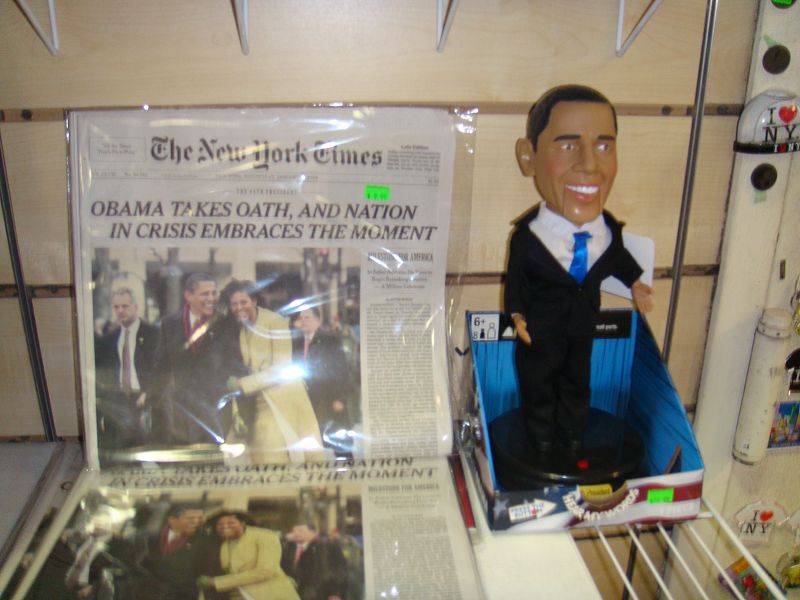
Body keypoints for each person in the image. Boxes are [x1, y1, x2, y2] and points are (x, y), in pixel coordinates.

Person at [505, 84, 653, 453]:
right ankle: (540, 436)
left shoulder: (607, 233)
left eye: (604, 147)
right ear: (528, 157)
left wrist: (636, 283)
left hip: (582, 331)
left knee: (577, 382)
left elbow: (618, 259)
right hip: (539, 335)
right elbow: (516, 281)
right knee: (538, 384)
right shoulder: (527, 238)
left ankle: (571, 434)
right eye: (568, 145)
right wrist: (516, 315)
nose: (589, 165)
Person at [221, 280, 325, 464]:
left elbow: (281, 369)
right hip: (256, 399)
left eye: (243, 302)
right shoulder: (240, 328)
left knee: (275, 453)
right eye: (234, 304)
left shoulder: (275, 321)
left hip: (282, 397)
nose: (239, 308)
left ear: (254, 301)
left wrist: (242, 384)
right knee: (247, 455)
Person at [150, 272, 248, 445]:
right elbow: (160, 368)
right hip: (180, 416)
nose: (211, 299)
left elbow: (235, 364)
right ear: (188, 296)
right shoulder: (170, 324)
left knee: (212, 459)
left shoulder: (225, 324)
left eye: (214, 293)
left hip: (214, 414)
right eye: (205, 294)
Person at [94, 287, 158, 449]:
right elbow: (104, 375)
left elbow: (160, 370)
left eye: (125, 306)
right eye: (116, 307)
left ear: (135, 307)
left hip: (143, 399)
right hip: (117, 400)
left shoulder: (153, 334)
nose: (120, 311)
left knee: (143, 448)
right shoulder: (110, 339)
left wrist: (148, 393)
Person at [198, 511, 299, 600]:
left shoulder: (265, 536)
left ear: (242, 523)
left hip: (271, 595)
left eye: (231, 523)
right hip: (238, 595)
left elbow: (265, 571)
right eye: (219, 524)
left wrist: (216, 582)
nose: (224, 526)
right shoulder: (225, 543)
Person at [293, 307, 353, 453]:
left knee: (339, 441)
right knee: (312, 442)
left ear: (318, 321)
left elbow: (341, 370)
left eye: (307, 318)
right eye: (301, 318)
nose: (303, 321)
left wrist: (339, 398)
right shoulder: (296, 343)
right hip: (306, 399)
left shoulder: (330, 340)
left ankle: (346, 464)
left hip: (329, 398)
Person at [140, 504, 221, 600]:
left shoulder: (207, 540)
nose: (196, 522)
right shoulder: (152, 539)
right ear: (172, 520)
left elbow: (209, 571)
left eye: (200, 518)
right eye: (190, 518)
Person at [281, 524, 348, 600]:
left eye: (300, 530)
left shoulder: (327, 546)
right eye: (294, 531)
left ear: (312, 533)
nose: (296, 533)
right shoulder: (289, 548)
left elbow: (339, 570)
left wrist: (336, 593)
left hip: (321, 594)